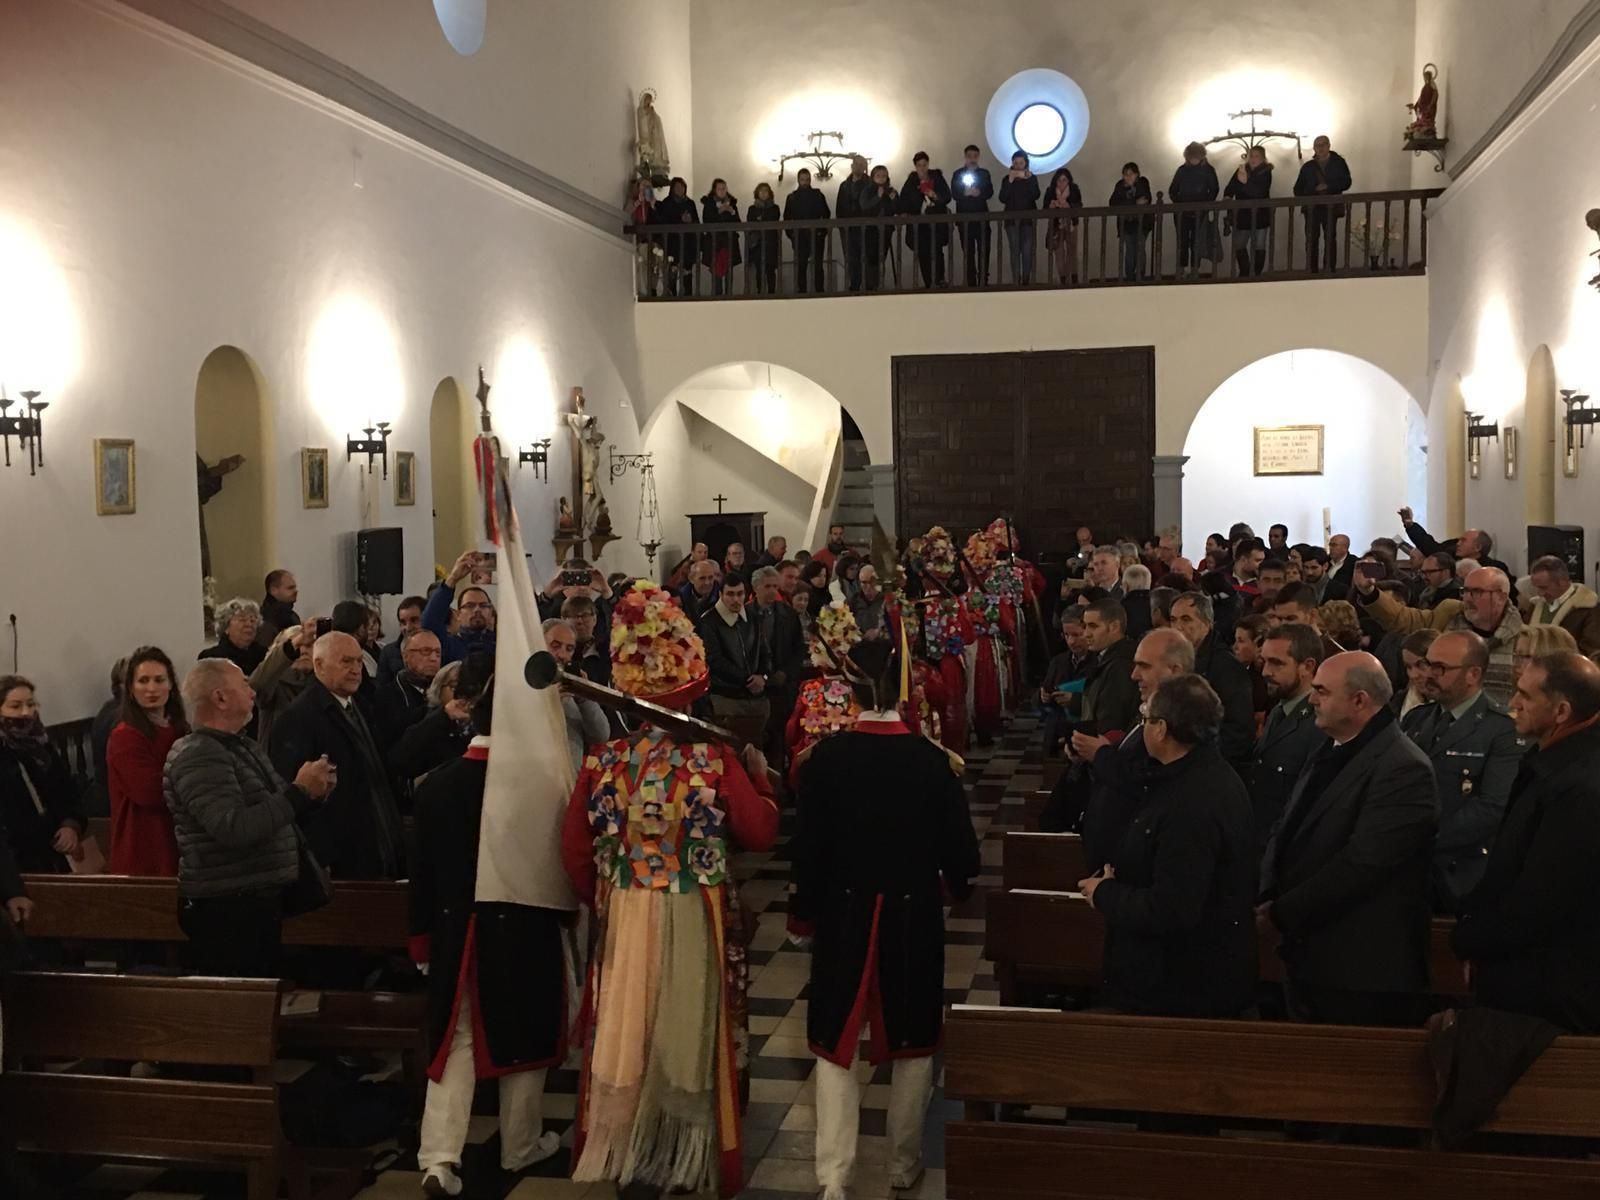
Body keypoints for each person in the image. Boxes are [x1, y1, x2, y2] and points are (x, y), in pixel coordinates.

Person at [561, 583, 779, 1198]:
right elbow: (760, 833)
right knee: (687, 1024)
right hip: (693, 908)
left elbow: (575, 851)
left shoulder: (603, 762)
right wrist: (763, 785)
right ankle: (684, 1147)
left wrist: (607, 894)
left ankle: (624, 1138)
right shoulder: (712, 762)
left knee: (628, 1025)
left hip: (625, 908)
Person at [789, 638, 978, 1200]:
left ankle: (833, 1176)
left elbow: (807, 851)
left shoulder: (824, 760)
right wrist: (956, 885)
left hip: (841, 913)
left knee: (833, 1040)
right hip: (911, 915)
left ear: (848, 691)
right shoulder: (931, 762)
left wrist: (803, 916)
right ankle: (902, 1161)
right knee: (915, 1039)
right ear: (905, 691)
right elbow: (962, 857)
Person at [410, 652, 568, 1195]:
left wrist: (421, 942)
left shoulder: (435, 787)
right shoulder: (544, 787)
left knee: (454, 1041)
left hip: (458, 931)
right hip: (523, 929)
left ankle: (438, 1157)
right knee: (522, 1036)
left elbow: (422, 877)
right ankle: (519, 1145)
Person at [1259, 652, 1438, 1026]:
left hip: (1362, 968)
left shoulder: (1403, 767)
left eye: (1322, 691)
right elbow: (1290, 826)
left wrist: (1281, 912)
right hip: (1313, 952)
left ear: (1360, 700)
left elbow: (1364, 863)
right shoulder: (1330, 748)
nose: (1311, 699)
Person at [1080, 674, 1257, 1017]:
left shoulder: (1193, 800)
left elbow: (1172, 909)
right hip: (1175, 978)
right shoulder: (1195, 776)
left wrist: (1103, 892)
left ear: (1161, 729)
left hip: (1179, 988)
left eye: (1145, 718)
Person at [1453, 652, 1600, 1032]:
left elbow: (1541, 896)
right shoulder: (1554, 761)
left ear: (1561, 711)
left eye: (1525, 695)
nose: (1512, 703)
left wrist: (1472, 940)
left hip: (1550, 993)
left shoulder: (1580, 786)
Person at [165, 659, 334, 977]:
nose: (253, 691)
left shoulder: (240, 745)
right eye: (244, 683)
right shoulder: (199, 754)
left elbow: (273, 807)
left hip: (252, 898)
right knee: (239, 1013)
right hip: (226, 907)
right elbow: (233, 828)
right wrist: (299, 792)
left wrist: (312, 794)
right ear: (220, 697)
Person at [1400, 631, 1526, 912]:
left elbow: (1492, 807)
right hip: (1408, 872)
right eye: (1426, 664)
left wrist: (1421, 841)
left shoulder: (1501, 731)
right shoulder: (1416, 720)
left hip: (1460, 872)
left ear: (1473, 674)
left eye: (1439, 668)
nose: (1427, 674)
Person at [269, 632, 406, 879]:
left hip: (377, 839)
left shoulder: (359, 704)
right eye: (346, 662)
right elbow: (295, 794)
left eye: (358, 662)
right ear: (318, 664)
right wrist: (322, 856)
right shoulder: (298, 718)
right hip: (342, 857)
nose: (356, 670)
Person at [1353, 565, 1524, 706]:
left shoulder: (1523, 638)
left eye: (1477, 592)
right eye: (1465, 591)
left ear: (1501, 597)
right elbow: (1404, 619)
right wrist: (1370, 593)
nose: (1468, 599)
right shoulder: (1450, 614)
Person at [106, 647, 188, 876]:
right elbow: (150, 792)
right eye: (143, 681)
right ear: (131, 689)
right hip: (144, 845)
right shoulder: (125, 735)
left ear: (171, 685)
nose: (151, 688)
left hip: (178, 840)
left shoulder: (178, 728)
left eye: (159, 680)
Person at [1249, 623, 1329, 852]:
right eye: (1264, 662)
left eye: (1277, 663)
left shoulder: (1319, 724)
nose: (1265, 672)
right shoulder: (1279, 711)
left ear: (1308, 666)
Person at [0, 675, 85, 877]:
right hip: (16, 862)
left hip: (55, 853)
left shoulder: (42, 746)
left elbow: (67, 791)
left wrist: (70, 825)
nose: (26, 713)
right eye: (15, 706)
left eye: (30, 704)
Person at [1168, 593, 1256, 767]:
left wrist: (1195, 759)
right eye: (1173, 619)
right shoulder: (1176, 660)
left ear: (1207, 624)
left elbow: (1239, 731)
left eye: (1186, 620)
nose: (1178, 626)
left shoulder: (1227, 667)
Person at [698, 572, 771, 725]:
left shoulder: (752, 617)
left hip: (757, 696)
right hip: (725, 697)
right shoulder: (709, 621)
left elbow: (765, 652)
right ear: (720, 594)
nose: (736, 599)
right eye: (730, 594)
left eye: (740, 594)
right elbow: (714, 660)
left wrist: (763, 676)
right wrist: (749, 679)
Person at [389, 661, 473, 787]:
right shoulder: (422, 718)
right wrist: (444, 716)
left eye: (470, 689)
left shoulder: (481, 724)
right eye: (455, 687)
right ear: (439, 689)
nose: (462, 696)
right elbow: (401, 760)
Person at [1397, 511, 1516, 587]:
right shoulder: (1450, 557)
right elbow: (1429, 546)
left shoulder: (1495, 569)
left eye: (1463, 541)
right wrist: (1410, 525)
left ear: (1477, 547)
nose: (1458, 543)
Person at [424, 550, 499, 665]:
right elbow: (429, 624)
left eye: (483, 605)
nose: (477, 610)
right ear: (458, 615)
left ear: (491, 612)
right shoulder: (450, 646)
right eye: (470, 606)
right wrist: (453, 579)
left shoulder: (502, 646)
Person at [1293, 135, 1352, 272]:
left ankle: (1329, 268)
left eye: (1323, 145)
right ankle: (1312, 269)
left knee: (1330, 238)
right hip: (1312, 208)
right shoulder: (1308, 167)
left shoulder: (1338, 162)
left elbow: (1346, 182)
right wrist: (1312, 191)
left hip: (1331, 206)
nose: (1320, 148)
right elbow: (1297, 189)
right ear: (1314, 148)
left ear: (1329, 145)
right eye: (1317, 146)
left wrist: (1328, 186)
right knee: (1311, 239)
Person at [376, 627, 441, 748]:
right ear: (405, 656)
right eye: (425, 651)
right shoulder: (386, 697)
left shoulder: (445, 693)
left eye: (438, 652)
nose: (434, 658)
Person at [1522, 554, 1600, 655]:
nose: (1539, 593)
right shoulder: (1534, 606)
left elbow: (1592, 650)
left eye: (1544, 588)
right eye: (1537, 588)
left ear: (1562, 582)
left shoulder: (1589, 608)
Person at [898, 151, 951, 288]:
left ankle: (940, 279)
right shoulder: (911, 181)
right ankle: (929, 282)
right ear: (915, 166)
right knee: (923, 253)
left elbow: (947, 196)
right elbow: (904, 200)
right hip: (919, 225)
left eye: (924, 164)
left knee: (937, 251)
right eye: (919, 165)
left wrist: (934, 195)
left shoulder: (937, 177)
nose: (922, 168)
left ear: (928, 164)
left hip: (935, 222)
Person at [1168, 141, 1219, 276]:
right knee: (1182, 242)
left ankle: (1195, 269)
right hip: (1182, 213)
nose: (1193, 159)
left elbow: (1214, 190)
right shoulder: (1182, 170)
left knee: (1197, 241)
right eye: (1191, 157)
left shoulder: (1208, 170)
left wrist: (1203, 205)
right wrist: (1181, 203)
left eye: (1196, 156)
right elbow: (1173, 190)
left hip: (1200, 212)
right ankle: (1181, 268)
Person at [87, 656, 128, 819]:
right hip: (113, 796)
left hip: (104, 790)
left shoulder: (110, 706)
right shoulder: (121, 717)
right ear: (121, 686)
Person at [1223, 145, 1274, 277]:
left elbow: (1259, 192)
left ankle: (1256, 273)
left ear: (1263, 158)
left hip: (1260, 213)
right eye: (1251, 155)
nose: (1253, 159)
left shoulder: (1266, 171)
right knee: (1239, 244)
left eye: (1257, 156)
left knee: (1259, 244)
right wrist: (1228, 196)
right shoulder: (1242, 169)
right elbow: (1231, 186)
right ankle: (1245, 272)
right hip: (1243, 213)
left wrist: (1245, 182)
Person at [952, 144, 994, 286]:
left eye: (975, 156)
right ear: (965, 157)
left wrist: (979, 193)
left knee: (984, 250)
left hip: (982, 218)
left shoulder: (984, 173)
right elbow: (954, 194)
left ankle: (983, 280)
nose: (972, 159)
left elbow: (990, 192)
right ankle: (971, 282)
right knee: (968, 252)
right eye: (969, 156)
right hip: (964, 220)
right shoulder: (958, 174)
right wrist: (965, 193)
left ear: (978, 157)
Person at [784, 167, 831, 293]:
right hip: (800, 237)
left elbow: (826, 214)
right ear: (798, 180)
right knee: (801, 265)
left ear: (810, 180)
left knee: (818, 265)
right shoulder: (792, 197)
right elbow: (787, 218)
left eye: (807, 179)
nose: (805, 182)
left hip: (816, 235)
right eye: (802, 179)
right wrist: (792, 235)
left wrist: (822, 232)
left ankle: (819, 290)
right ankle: (802, 291)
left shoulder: (818, 195)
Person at [650, 176, 698, 296]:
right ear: (672, 189)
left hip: (687, 243)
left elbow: (697, 222)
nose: (680, 189)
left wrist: (690, 221)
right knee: (672, 272)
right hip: (672, 243)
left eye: (682, 187)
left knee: (687, 274)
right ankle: (672, 296)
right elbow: (664, 221)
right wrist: (679, 219)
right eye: (677, 187)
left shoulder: (690, 203)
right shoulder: (667, 203)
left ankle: (688, 296)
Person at [997, 150, 1040, 284]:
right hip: (1011, 221)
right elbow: (1002, 198)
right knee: (1014, 250)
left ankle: (1026, 279)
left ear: (1026, 163)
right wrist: (1010, 181)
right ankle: (1016, 279)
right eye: (1015, 163)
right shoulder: (1006, 179)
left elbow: (1035, 195)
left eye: (1021, 163)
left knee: (1027, 250)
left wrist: (1029, 180)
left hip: (1028, 220)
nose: (1018, 166)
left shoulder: (1031, 178)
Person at [200, 597, 267, 676]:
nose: (249, 624)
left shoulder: (264, 656)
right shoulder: (212, 658)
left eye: (253, 620)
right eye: (242, 620)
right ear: (226, 627)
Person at [1109, 161, 1153, 281]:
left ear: (1137, 174)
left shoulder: (1143, 183)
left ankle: (1140, 275)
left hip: (1142, 222)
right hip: (1127, 223)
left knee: (1140, 248)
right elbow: (1113, 203)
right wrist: (1133, 203)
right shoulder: (1120, 186)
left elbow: (1146, 199)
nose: (1128, 177)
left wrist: (1128, 204)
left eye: (1131, 174)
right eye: (1125, 174)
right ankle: (1129, 276)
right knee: (1129, 250)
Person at [834, 154, 872, 292]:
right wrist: (842, 226)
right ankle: (854, 284)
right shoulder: (844, 186)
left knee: (867, 257)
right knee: (851, 258)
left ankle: (869, 285)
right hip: (849, 229)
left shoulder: (870, 184)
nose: (859, 167)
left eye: (862, 165)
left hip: (866, 228)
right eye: (857, 164)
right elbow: (839, 208)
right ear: (852, 166)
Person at [699, 178, 741, 296]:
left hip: (729, 243)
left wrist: (732, 212)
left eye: (724, 188)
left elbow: (738, 223)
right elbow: (707, 221)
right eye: (719, 189)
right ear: (714, 190)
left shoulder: (732, 203)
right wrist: (719, 212)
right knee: (716, 273)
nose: (722, 191)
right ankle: (717, 297)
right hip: (715, 244)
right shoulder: (709, 203)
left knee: (729, 272)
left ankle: (728, 296)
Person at [1042, 167, 1083, 285]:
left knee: (1072, 251)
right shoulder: (1050, 191)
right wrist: (1051, 206)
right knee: (1059, 253)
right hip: (1056, 226)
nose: (1061, 183)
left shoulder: (1074, 190)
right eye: (1059, 180)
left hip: (1071, 224)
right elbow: (1044, 209)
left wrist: (1068, 205)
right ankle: (1063, 278)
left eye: (1064, 180)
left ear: (1069, 181)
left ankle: (1073, 277)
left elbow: (1079, 206)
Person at [862, 164, 899, 291]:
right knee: (871, 258)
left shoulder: (891, 191)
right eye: (878, 176)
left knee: (881, 257)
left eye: (884, 176)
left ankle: (879, 284)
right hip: (871, 229)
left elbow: (896, 209)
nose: (881, 179)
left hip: (886, 229)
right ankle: (870, 285)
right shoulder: (868, 191)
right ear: (873, 177)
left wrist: (894, 200)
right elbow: (864, 206)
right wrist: (877, 197)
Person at [377, 595, 427, 685]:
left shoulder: (439, 649)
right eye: (403, 622)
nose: (408, 627)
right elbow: (381, 689)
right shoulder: (388, 652)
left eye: (414, 620)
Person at [745, 182, 781, 295]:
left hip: (771, 243)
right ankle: (760, 292)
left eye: (766, 191)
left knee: (770, 270)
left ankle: (771, 292)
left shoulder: (775, 208)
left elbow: (773, 218)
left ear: (770, 193)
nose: (764, 193)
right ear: (757, 193)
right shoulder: (752, 208)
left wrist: (761, 219)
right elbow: (751, 222)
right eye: (761, 191)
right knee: (759, 270)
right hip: (757, 244)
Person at [1395, 628, 1440, 718]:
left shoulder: (1452, 707)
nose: (1413, 675)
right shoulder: (1398, 702)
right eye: (1408, 667)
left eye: (1421, 665)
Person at [260, 568, 301, 641]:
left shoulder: (292, 615)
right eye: (290, 588)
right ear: (273, 590)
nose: (295, 591)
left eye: (295, 587)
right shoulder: (266, 619)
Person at [678, 557, 721, 624]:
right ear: (691, 579)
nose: (707, 582)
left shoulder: (722, 597)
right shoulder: (681, 598)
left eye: (710, 577)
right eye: (702, 578)